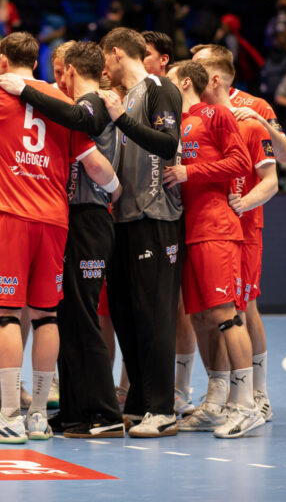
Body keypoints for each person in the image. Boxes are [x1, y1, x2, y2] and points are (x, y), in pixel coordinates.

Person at [0, 31, 119, 444]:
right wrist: (117, 191)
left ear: (2, 61)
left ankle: (8, 415)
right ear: (37, 63)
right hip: (54, 220)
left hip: (8, 215)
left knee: (5, 314)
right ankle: (38, 415)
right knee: (45, 316)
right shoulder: (61, 101)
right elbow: (95, 165)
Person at [0, 40, 124, 438]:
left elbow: (97, 165)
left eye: (60, 72)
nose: (57, 80)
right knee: (63, 316)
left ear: (69, 70)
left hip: (89, 218)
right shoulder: (71, 106)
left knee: (82, 316)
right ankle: (73, 411)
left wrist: (115, 191)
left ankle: (105, 413)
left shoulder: (87, 105)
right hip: (71, 218)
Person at [164, 61, 264, 439]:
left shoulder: (215, 114)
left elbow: (240, 162)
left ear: (185, 81)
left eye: (170, 80)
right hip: (188, 231)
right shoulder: (176, 123)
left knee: (226, 314)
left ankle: (246, 404)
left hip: (216, 228)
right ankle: (216, 400)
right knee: (201, 319)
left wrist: (190, 173)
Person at [96, 27, 183, 437]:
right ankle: (140, 402)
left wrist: (120, 119)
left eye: (104, 59)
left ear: (116, 53)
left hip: (156, 217)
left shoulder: (158, 88)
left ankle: (163, 409)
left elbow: (167, 144)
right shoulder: (123, 97)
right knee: (126, 315)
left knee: (154, 315)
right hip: (123, 219)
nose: (103, 68)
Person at [192, 52, 279, 423]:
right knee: (208, 312)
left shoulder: (252, 117)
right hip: (209, 230)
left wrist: (242, 204)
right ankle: (219, 395)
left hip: (243, 230)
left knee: (242, 308)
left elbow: (273, 177)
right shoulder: (199, 121)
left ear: (214, 78)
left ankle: (254, 395)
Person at [141, 29, 196, 414]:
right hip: (149, 214)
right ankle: (133, 385)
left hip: (179, 215)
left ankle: (182, 389)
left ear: (163, 59)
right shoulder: (135, 96)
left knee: (181, 307)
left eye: (146, 53)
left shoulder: (174, 100)